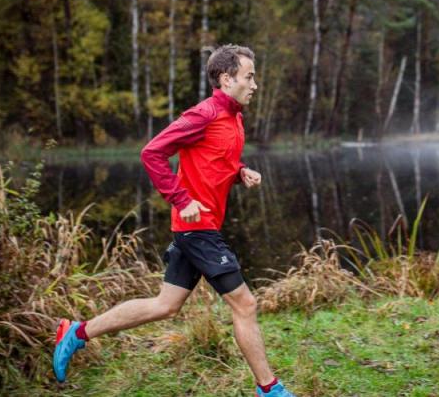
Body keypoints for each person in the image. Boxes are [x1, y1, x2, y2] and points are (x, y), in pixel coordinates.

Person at [53, 45, 295, 397]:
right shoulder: (203, 114)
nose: (255, 84)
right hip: (197, 228)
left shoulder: (234, 117)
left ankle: (75, 333)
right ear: (227, 80)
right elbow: (151, 152)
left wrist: (240, 171)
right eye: (249, 76)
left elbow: (215, 158)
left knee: (165, 305)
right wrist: (182, 200)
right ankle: (269, 389)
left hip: (198, 228)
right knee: (246, 304)